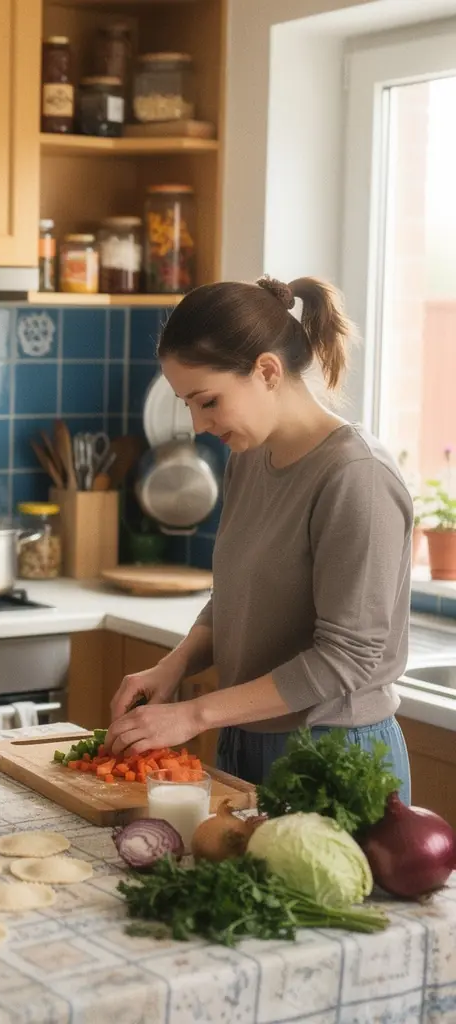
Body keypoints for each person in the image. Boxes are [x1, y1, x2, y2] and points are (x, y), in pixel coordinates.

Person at [106, 275, 413, 803]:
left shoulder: (355, 475)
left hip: (335, 757)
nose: (199, 425)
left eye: (208, 401)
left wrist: (193, 714)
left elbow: (348, 658)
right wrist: (172, 666)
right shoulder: (250, 459)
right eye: (188, 405)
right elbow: (234, 599)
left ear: (267, 371)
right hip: (245, 741)